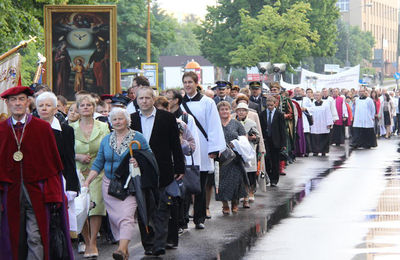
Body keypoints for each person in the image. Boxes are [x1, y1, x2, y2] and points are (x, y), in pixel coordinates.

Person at [0, 86, 73, 259]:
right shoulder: (1, 130)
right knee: (12, 238)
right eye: (13, 100)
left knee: (35, 236)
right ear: (7, 103)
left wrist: (55, 194)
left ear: (28, 102)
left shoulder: (42, 128)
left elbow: (53, 166)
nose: (18, 103)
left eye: (21, 99)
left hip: (37, 192)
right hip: (9, 193)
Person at [84, 107, 150, 260]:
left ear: (127, 120)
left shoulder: (137, 137)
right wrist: (88, 181)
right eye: (114, 119)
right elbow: (99, 162)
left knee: (126, 217)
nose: (118, 122)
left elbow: (149, 157)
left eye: (121, 118)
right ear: (110, 122)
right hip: (109, 185)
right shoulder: (106, 139)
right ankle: (125, 250)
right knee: (115, 219)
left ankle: (120, 249)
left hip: (130, 184)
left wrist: (138, 161)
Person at [130, 87, 185, 256]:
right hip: (139, 169)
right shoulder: (131, 119)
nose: (145, 101)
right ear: (137, 101)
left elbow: (175, 144)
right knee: (143, 207)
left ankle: (160, 243)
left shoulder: (167, 118)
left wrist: (179, 167)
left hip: (163, 169)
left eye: (148, 98)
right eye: (141, 98)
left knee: (162, 207)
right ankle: (148, 243)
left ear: (153, 99)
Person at [181, 71, 225, 230]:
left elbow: (213, 126)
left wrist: (214, 149)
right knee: (184, 186)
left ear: (196, 83)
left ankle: (199, 218)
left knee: (199, 185)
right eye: (185, 82)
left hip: (204, 148)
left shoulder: (207, 102)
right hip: (185, 150)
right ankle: (183, 218)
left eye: (190, 82)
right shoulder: (179, 103)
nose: (187, 85)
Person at [70, 94, 110, 257]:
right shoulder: (70, 127)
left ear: (94, 108)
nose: (86, 107)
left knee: (97, 207)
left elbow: (106, 148)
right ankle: (86, 241)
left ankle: (93, 242)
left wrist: (97, 164)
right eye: (83, 105)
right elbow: (65, 151)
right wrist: (77, 156)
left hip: (98, 170)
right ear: (77, 109)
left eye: (89, 105)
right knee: (82, 208)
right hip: (78, 171)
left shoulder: (103, 126)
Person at [36, 91, 80, 237]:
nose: (44, 108)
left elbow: (69, 159)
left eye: (48, 105)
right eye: (40, 105)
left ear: (56, 109)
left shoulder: (66, 131)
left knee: (58, 223)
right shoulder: (29, 129)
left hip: (58, 179)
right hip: (35, 181)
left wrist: (72, 186)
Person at [217, 101, 248, 214]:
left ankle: (235, 203)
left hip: (235, 157)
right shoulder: (215, 123)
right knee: (222, 182)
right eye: (222, 109)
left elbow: (244, 139)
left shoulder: (236, 123)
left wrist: (237, 143)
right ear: (218, 111)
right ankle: (224, 205)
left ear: (230, 110)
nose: (224, 111)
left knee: (236, 181)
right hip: (221, 158)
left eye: (226, 109)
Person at [235, 103, 260, 207]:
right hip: (237, 151)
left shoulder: (251, 123)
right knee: (240, 174)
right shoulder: (233, 122)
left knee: (250, 174)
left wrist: (253, 138)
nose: (241, 112)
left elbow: (258, 137)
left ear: (247, 112)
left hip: (249, 150)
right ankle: (242, 193)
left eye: (243, 110)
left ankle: (250, 192)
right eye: (239, 110)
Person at [259, 97, 286, 186]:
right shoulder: (262, 114)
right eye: (268, 105)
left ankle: (274, 179)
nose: (269, 107)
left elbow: (282, 129)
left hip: (276, 140)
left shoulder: (279, 114)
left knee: (275, 160)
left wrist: (283, 143)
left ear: (275, 104)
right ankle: (269, 176)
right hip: (266, 140)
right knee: (267, 159)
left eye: (271, 105)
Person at [310, 92, 333, 156]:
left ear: (321, 96)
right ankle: (315, 151)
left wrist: (329, 123)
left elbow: (328, 114)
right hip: (315, 124)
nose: (317, 97)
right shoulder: (312, 105)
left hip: (323, 123)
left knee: (324, 137)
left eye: (318, 95)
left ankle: (324, 151)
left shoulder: (325, 104)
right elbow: (309, 113)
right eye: (315, 95)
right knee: (315, 138)